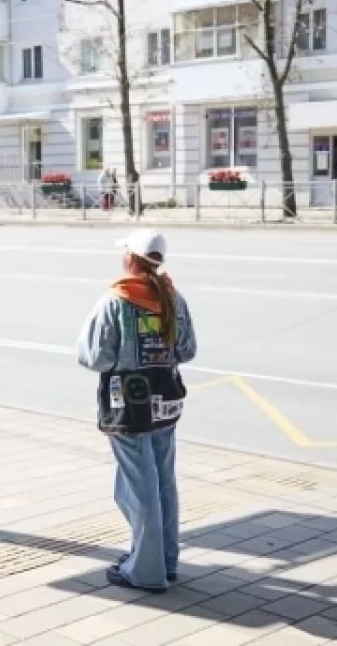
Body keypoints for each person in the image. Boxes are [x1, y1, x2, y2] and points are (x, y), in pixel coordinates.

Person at [76, 230, 197, 593]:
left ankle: (146, 570)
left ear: (131, 259)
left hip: (128, 405)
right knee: (163, 480)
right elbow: (187, 350)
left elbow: (95, 357)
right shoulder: (173, 298)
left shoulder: (116, 300)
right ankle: (167, 560)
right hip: (166, 400)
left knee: (140, 485)